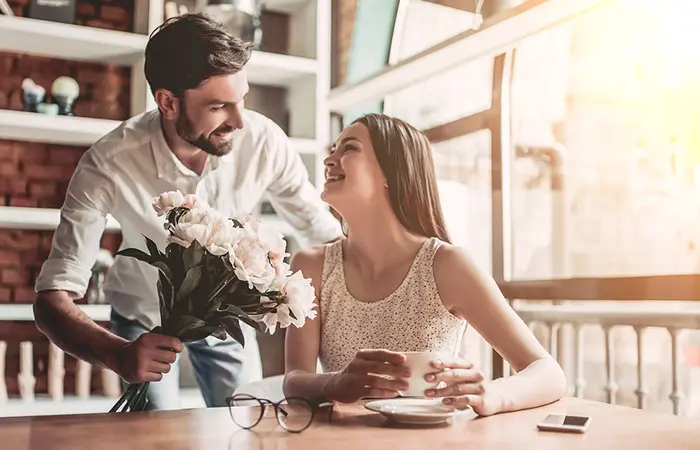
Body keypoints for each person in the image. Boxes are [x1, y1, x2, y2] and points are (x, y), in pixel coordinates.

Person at [32, 13, 342, 411]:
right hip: (142, 318)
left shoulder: (265, 142)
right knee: (153, 436)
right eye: (219, 106)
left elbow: (321, 231)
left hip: (226, 319)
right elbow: (51, 298)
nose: (239, 120)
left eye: (242, 99)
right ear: (168, 102)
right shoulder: (107, 163)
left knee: (245, 426)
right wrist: (118, 355)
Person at [283, 113, 566, 415]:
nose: (330, 160)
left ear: (393, 172)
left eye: (349, 149)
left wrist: (491, 395)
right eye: (333, 149)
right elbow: (294, 380)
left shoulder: (447, 265)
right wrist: (334, 383)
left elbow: (548, 372)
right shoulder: (311, 265)